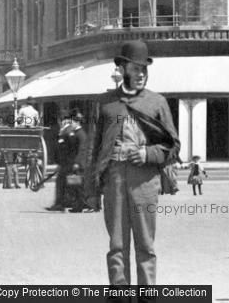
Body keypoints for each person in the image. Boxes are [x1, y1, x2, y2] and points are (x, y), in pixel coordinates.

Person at [85, 40, 180, 286]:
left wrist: (148, 154)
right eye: (136, 68)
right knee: (116, 245)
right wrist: (92, 190)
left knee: (146, 245)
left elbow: (173, 145)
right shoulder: (105, 103)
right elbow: (93, 150)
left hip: (145, 181)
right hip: (114, 179)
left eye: (144, 69)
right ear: (123, 68)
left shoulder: (156, 102)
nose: (141, 74)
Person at [46, 109, 87, 212]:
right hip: (68, 162)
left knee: (73, 184)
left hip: (72, 162)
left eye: (71, 121)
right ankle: (66, 204)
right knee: (70, 183)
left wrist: (76, 162)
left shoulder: (78, 133)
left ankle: (72, 204)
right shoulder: (75, 132)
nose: (70, 123)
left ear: (76, 121)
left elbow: (79, 150)